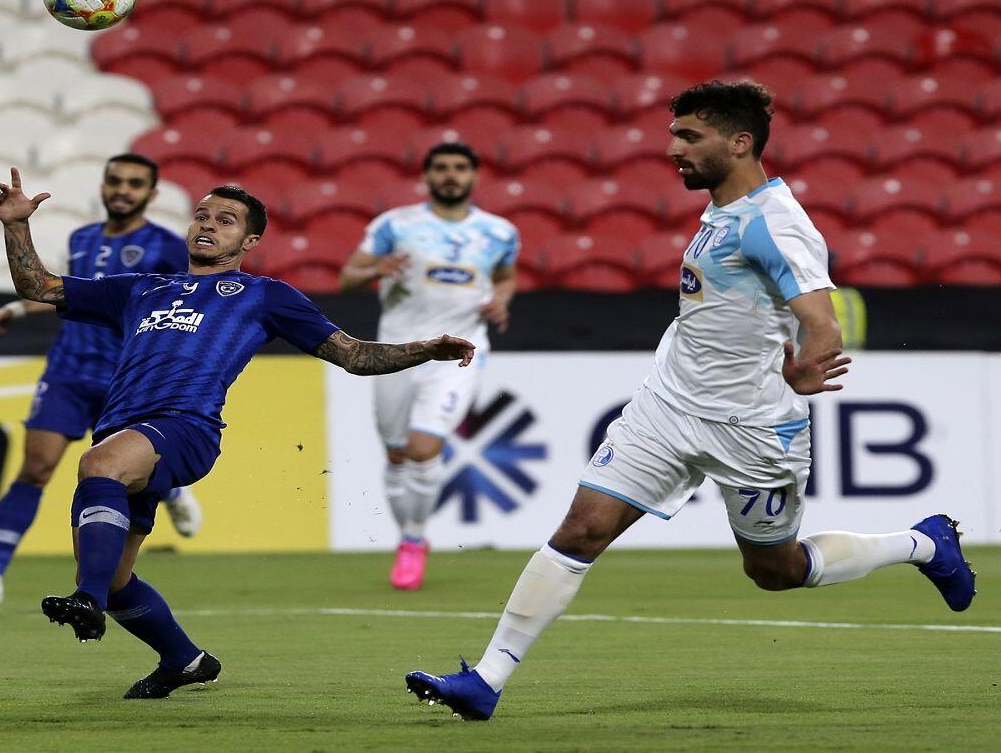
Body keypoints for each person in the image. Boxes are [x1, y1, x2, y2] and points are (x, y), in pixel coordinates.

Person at [403, 81, 975, 721]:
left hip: (753, 429)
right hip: (667, 409)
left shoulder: (773, 223)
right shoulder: (725, 210)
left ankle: (924, 544)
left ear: (740, 142)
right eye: (674, 133)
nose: (671, 148)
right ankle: (486, 680)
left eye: (688, 137)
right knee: (580, 530)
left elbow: (821, 315)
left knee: (775, 570)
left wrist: (812, 360)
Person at [0, 168, 475, 699]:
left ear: (250, 240)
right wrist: (16, 226)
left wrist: (425, 349)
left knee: (97, 468)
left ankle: (87, 601)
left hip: (185, 427)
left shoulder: (263, 295)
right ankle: (184, 659)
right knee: (116, 573)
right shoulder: (142, 289)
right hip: (126, 431)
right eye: (201, 215)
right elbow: (39, 286)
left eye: (226, 220)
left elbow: (354, 355)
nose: (208, 225)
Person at [0, 153, 202, 616]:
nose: (123, 190)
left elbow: (185, 309)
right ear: (103, 186)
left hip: (126, 378)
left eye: (135, 183)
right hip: (68, 370)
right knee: (35, 470)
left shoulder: (168, 247)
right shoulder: (82, 238)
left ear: (151, 194)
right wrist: (14, 309)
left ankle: (172, 488)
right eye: (116, 181)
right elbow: (68, 292)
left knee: (123, 468)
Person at [339, 142, 518, 590]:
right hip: (396, 354)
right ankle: (410, 536)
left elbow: (505, 276)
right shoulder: (395, 225)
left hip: (458, 352)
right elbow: (348, 277)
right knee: (398, 454)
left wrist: (501, 300)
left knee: (422, 448)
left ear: (474, 176)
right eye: (441, 168)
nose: (451, 175)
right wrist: (375, 267)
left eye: (460, 167)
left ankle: (414, 543)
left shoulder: (499, 232)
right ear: (428, 175)